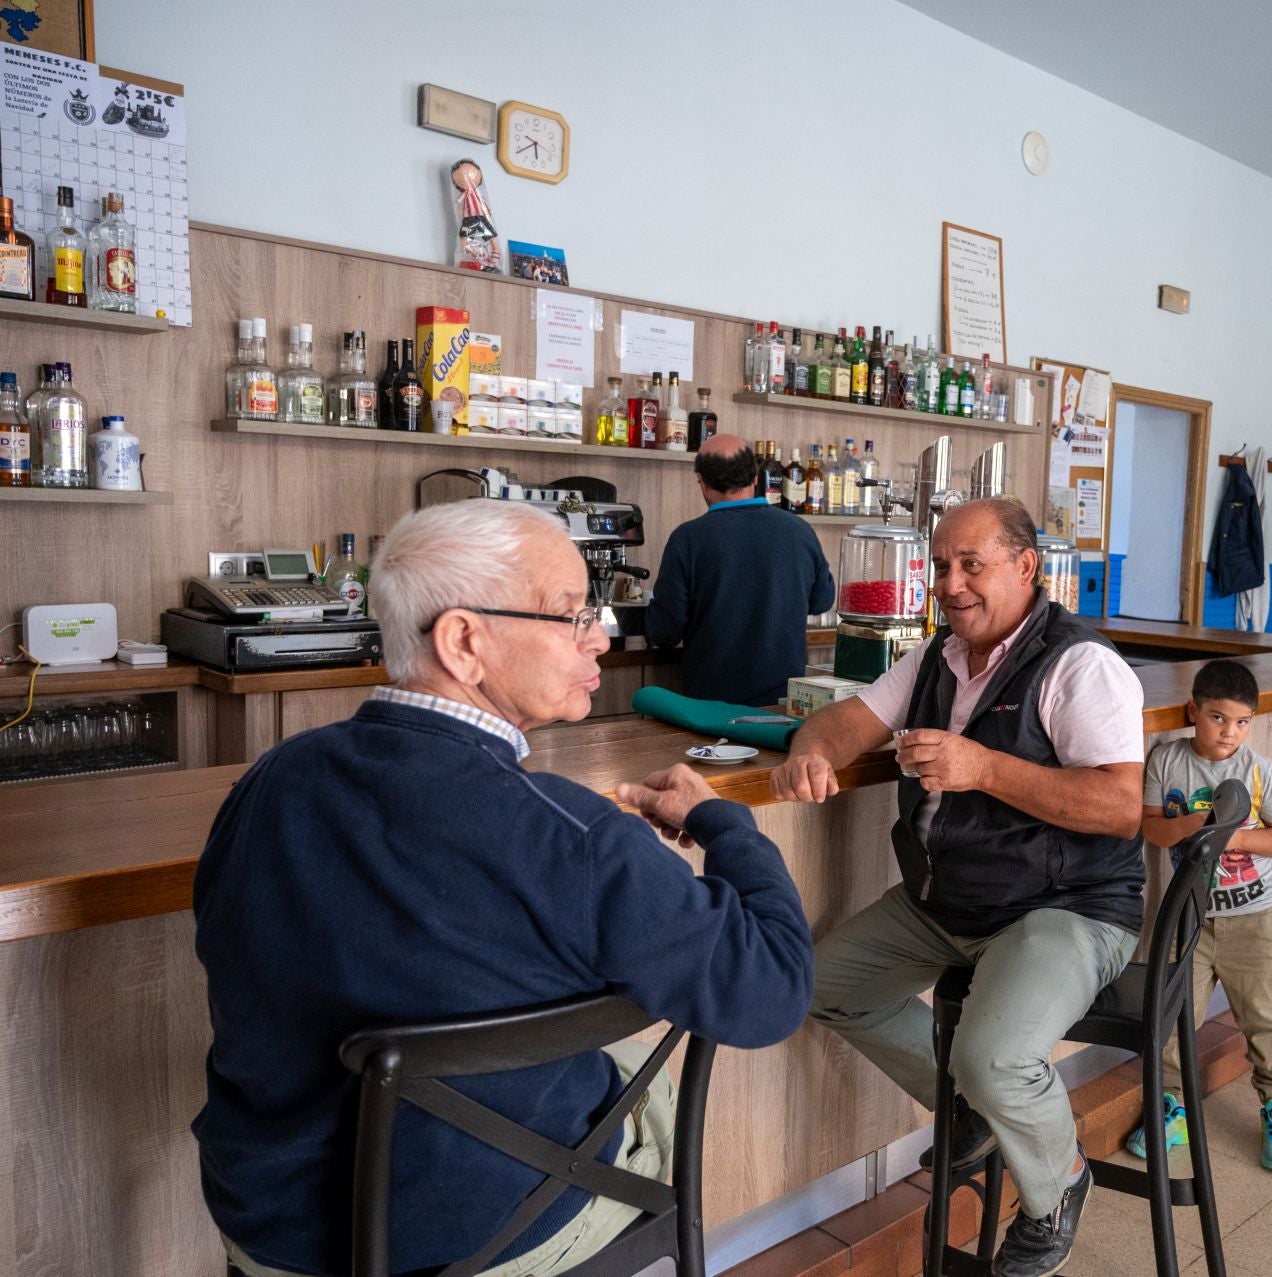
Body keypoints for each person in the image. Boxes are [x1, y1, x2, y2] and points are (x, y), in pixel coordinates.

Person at [192, 500, 814, 1277]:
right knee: (639, 1065)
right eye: (569, 613)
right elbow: (774, 988)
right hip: (485, 1238)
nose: (604, 633)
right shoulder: (571, 833)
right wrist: (727, 824)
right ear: (463, 641)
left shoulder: (270, 780)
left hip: (273, 1230)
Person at [770, 497, 1145, 1277]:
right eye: (941, 565)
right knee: (812, 982)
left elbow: (1119, 808)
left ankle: (1060, 1186)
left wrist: (983, 768)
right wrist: (812, 749)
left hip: (1066, 903)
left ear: (1025, 566)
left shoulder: (1080, 663)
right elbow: (848, 721)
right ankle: (970, 1113)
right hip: (948, 900)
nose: (951, 582)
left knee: (994, 1055)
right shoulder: (937, 655)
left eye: (971, 564)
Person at [1125, 658, 1272, 1173]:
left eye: (1242, 721)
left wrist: (1233, 835)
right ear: (1193, 712)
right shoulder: (1166, 761)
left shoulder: (1257, 771)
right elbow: (1152, 829)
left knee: (1267, 1018)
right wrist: (1195, 826)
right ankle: (1171, 1107)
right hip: (1192, 920)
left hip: (1257, 920)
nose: (1229, 732)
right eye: (1217, 717)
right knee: (1175, 1012)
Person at [645, 432, 834, 707]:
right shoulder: (800, 530)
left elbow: (664, 632)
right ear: (756, 478)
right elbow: (822, 601)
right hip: (785, 703)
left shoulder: (687, 539)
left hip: (711, 706)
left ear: (703, 483)